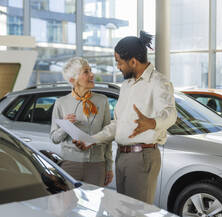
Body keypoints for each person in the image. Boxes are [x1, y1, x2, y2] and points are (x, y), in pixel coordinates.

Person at [74, 31, 177, 204]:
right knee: (124, 213)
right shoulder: (127, 85)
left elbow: (171, 114)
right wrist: (91, 140)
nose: (118, 67)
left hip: (142, 157)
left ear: (133, 62)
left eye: (119, 62)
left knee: (137, 215)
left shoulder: (158, 82)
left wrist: (152, 123)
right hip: (122, 156)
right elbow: (117, 124)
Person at [50, 57, 113, 186]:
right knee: (69, 204)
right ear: (73, 80)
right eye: (86, 72)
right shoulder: (61, 103)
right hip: (70, 164)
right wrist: (65, 126)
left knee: (94, 204)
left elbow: (108, 136)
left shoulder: (102, 100)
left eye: (91, 70)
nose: (92, 74)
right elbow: (54, 138)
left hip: (97, 165)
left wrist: (109, 166)